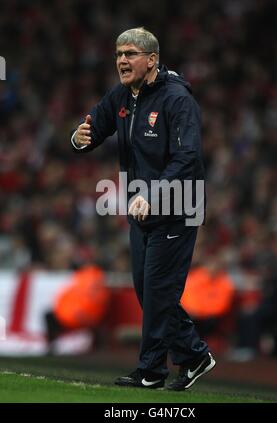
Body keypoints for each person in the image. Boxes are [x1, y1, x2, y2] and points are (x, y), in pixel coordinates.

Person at [71, 27, 215, 390]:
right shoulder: (122, 95)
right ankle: (194, 355)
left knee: (157, 291)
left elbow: (188, 156)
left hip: (179, 204)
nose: (122, 59)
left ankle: (151, 371)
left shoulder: (176, 99)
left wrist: (154, 192)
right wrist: (79, 138)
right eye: (119, 53)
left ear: (152, 60)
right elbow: (94, 126)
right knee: (148, 289)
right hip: (142, 206)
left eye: (131, 53)